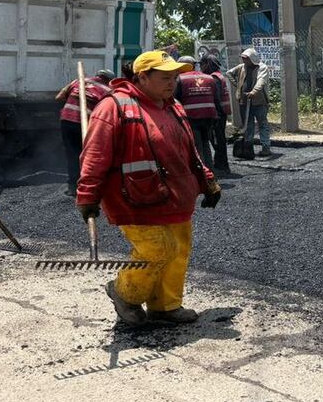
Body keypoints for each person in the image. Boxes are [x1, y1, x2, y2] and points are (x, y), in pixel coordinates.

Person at [77, 51, 221, 327]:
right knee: (157, 249)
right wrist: (87, 196)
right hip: (136, 199)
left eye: (175, 77)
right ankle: (124, 292)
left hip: (176, 196)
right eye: (165, 77)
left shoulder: (173, 106)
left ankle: (165, 307)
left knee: (178, 250)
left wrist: (208, 181)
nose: (173, 82)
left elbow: (189, 151)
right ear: (142, 77)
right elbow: (94, 156)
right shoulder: (114, 107)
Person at [55, 68, 115, 196]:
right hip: (83, 123)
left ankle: (72, 187)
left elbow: (59, 97)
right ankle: (86, 187)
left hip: (66, 120)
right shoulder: (108, 91)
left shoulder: (79, 81)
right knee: (87, 154)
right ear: (109, 80)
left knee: (72, 154)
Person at [174, 56, 219, 168]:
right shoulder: (208, 78)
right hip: (209, 117)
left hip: (191, 118)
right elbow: (216, 99)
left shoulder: (180, 79)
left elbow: (175, 100)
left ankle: (203, 177)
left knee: (196, 147)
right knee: (205, 144)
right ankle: (211, 174)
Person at [227, 48, 271, 157]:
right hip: (244, 101)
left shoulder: (262, 68)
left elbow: (261, 81)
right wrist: (238, 86)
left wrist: (254, 92)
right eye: (243, 59)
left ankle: (266, 147)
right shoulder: (242, 68)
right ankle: (248, 149)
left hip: (259, 101)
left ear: (252, 59)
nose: (244, 61)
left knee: (262, 124)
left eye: (246, 59)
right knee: (248, 125)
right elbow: (229, 73)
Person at [199, 54, 231, 175]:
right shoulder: (218, 75)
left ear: (207, 64)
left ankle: (222, 165)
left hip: (218, 113)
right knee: (219, 138)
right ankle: (221, 164)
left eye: (202, 64)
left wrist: (214, 114)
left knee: (217, 139)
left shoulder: (214, 78)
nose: (201, 67)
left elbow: (215, 97)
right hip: (222, 111)